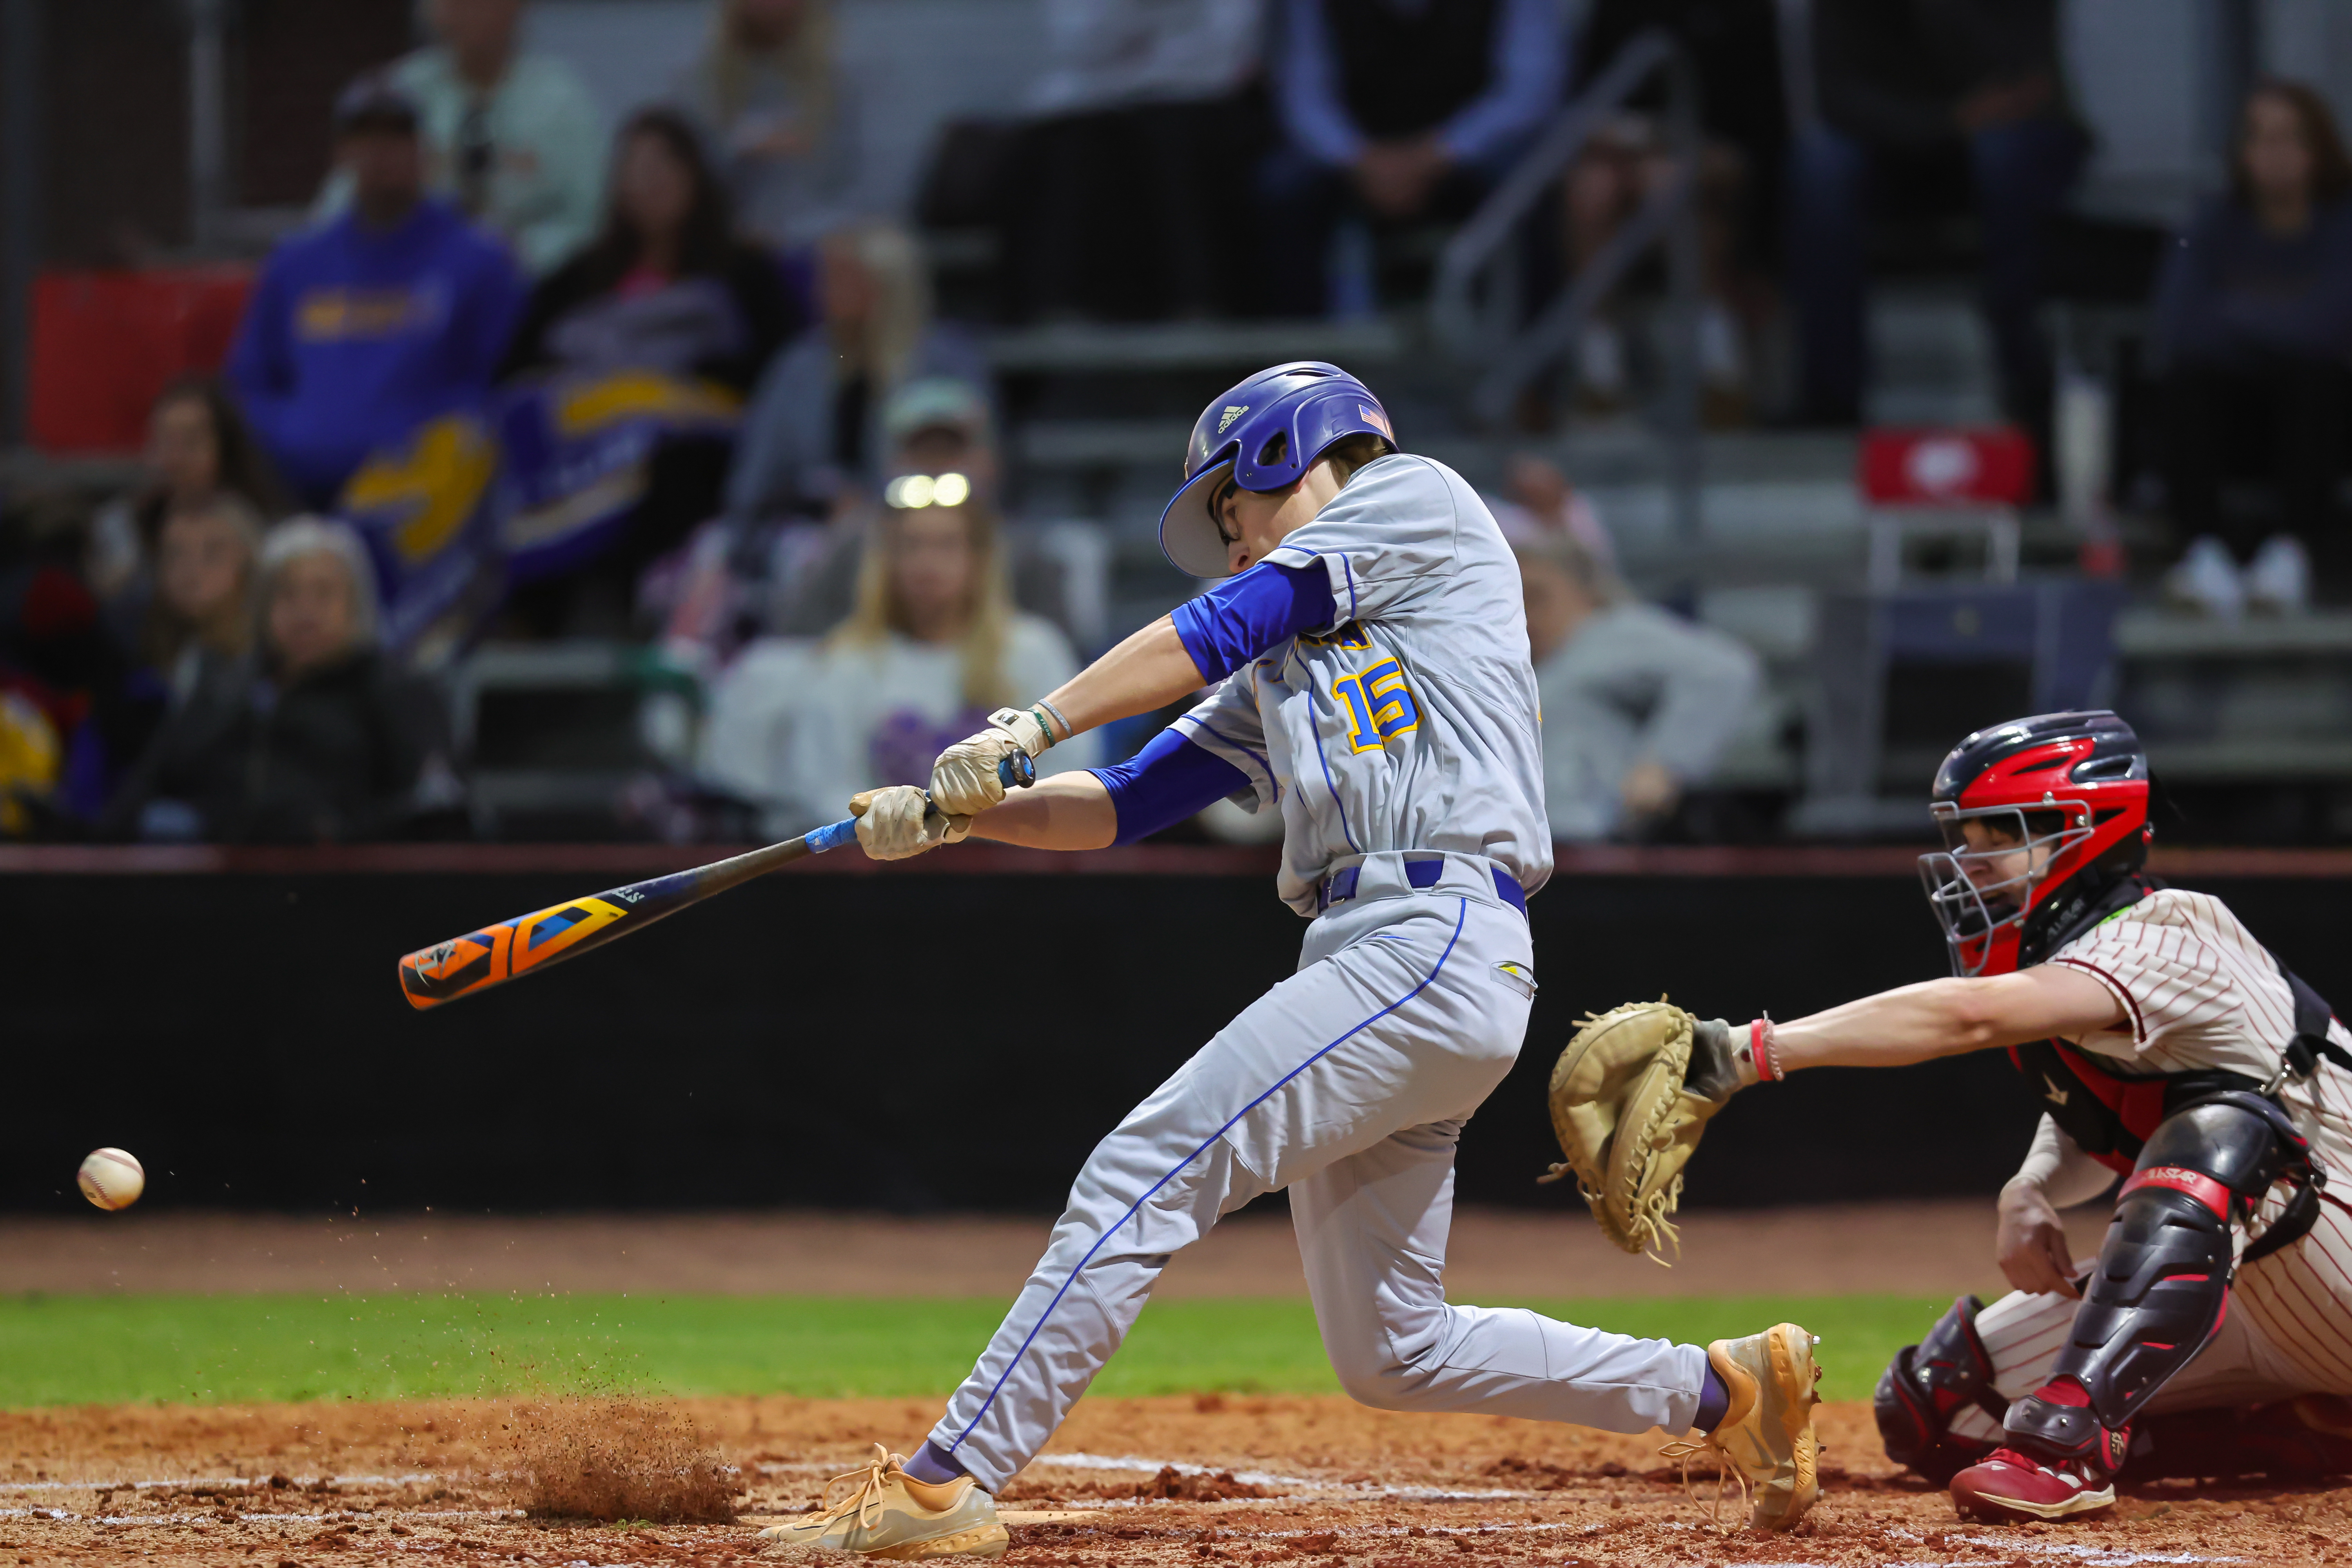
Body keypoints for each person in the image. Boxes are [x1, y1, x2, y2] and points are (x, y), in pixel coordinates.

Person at [761, 362, 1824, 1557]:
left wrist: (1026, 720)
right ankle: (1723, 1389)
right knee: (1393, 1349)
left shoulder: (1415, 500)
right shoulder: (1292, 653)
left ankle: (942, 1486)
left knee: (1142, 1170)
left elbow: (1224, 622)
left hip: (1428, 933)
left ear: (1287, 454)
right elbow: (1123, 803)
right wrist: (958, 814)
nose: (1234, 542)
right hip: (1396, 954)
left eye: (1234, 509)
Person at [1693, 710, 2352, 1522]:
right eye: (1965, 837)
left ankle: (2068, 1449)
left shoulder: (2173, 931)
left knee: (2224, 1128)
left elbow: (1969, 1018)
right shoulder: (2079, 962)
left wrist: (1748, 1050)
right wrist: (2031, 1185)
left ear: (2085, 830)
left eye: (1997, 834)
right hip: (2256, 1294)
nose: (1972, 862)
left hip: (2336, 1258)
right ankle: (2305, 1429)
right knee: (1937, 1404)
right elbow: (2103, 1108)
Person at [495, 108, 802, 637]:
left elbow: (778, 373)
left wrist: (668, 393)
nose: (650, 182)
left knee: (667, 470)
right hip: (585, 451)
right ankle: (531, 631)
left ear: (695, 179)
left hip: (691, 449)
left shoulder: (745, 272)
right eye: (635, 169)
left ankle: (660, 621)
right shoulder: (579, 276)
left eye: (664, 167)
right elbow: (517, 370)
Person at [700, 490, 1092, 838]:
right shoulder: (849, 662)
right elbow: (824, 786)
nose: (927, 562)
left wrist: (983, 828)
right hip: (888, 869)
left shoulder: (1034, 651)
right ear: (886, 562)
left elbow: (1069, 766)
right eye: (911, 546)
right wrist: (906, 829)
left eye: (947, 545)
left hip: (1011, 861)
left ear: (979, 560)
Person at [1787, 0, 2087, 441]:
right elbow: (1839, 98)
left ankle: (2028, 387)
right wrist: (1945, 123)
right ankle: (1833, 403)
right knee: (1819, 167)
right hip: (1903, 146)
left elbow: (2019, 81)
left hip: (2012, 141)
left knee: (2003, 158)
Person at [229, 74, 527, 510]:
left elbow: (509, 385)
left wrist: (434, 441)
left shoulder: (478, 260)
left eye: (396, 138)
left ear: (423, 151)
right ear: (341, 155)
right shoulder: (296, 264)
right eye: (365, 139)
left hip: (426, 503)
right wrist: (291, 435)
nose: (381, 153)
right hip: (302, 496)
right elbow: (248, 385)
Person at [102, 519, 445, 844]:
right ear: (263, 608)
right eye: (287, 594)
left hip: (349, 884)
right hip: (222, 882)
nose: (305, 612)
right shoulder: (224, 690)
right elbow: (148, 785)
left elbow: (431, 811)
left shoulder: (393, 691)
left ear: (357, 606)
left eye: (324, 593)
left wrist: (335, 833)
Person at [2154, 81, 2352, 618]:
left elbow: (2332, 329)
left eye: (2289, 138)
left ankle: (2292, 555)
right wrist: (2285, 319)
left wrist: (2237, 314)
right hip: (2231, 418)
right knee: (2188, 381)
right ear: (2241, 152)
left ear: (2319, 148)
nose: (2275, 154)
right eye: (2260, 138)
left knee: (2316, 380)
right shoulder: (2211, 222)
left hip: (2318, 420)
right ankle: (2204, 554)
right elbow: (2180, 326)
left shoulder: (2342, 227)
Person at [1261, 0, 1565, 316]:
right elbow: (1304, 95)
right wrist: (1359, 159)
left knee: (1533, 180)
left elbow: (1529, 93)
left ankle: (1533, 344)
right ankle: (1301, 350)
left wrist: (1437, 154)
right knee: (1283, 185)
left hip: (1471, 151)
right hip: (1357, 155)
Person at [1561, 0, 1784, 419]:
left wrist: (1671, 144)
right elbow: (1587, 107)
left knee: (1667, 183)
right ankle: (1600, 371)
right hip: (1630, 157)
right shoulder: (1614, 12)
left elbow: (1761, 124)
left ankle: (1719, 367)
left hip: (1724, 153)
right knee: (1592, 189)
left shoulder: (1748, 13)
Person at [1007, 0, 1265, 322]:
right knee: (1068, 150)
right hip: (1099, 102)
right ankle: (1062, 309)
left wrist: (1145, 64)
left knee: (1173, 140)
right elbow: (1077, 44)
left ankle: (1198, 303)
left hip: (1196, 102)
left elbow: (1225, 50)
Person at [723, 222, 991, 526]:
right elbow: (752, 482)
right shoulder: (799, 365)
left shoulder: (946, 362)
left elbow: (977, 473)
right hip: (806, 534)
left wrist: (872, 509)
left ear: (885, 283)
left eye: (841, 277)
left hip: (919, 530)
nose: (819, 291)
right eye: (823, 277)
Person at [317, 0, 603, 275]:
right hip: (409, 277)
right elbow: (340, 202)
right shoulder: (402, 92)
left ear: (517, 7)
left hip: (535, 280)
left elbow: (589, 213)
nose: (469, 13)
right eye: (455, 3)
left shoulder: (560, 99)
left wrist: (517, 257)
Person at [1516, 533, 1760, 841]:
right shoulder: (1538, 660)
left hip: (1591, 841)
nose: (1524, 614)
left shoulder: (1610, 635)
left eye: (1536, 597)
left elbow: (1723, 671)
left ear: (1583, 591)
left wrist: (1664, 764)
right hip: (1541, 847)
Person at [670, 0, 855, 250]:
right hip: (731, 236)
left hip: (822, 231)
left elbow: (852, 177)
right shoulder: (703, 78)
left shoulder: (840, 74)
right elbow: (693, 171)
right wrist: (740, 146)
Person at [85, 380, 289, 605]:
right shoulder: (120, 524)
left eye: (191, 442)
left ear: (223, 449)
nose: (175, 459)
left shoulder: (261, 530)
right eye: (164, 441)